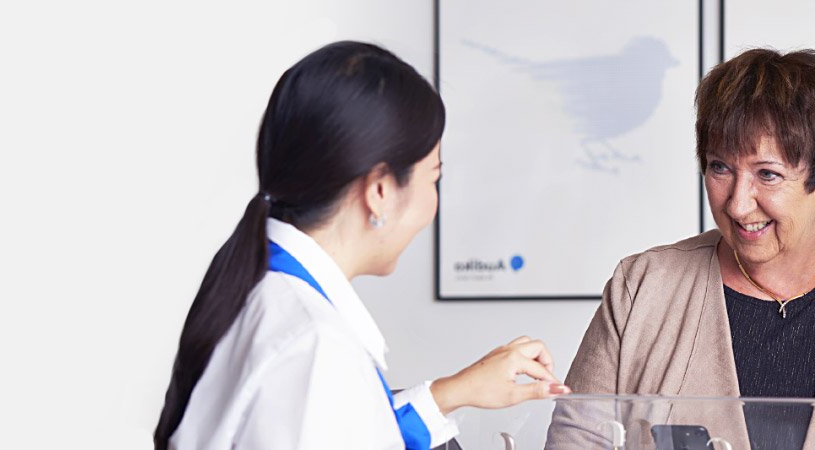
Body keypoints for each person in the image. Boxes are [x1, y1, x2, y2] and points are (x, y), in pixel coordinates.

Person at [547, 48, 815, 450]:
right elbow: (577, 440)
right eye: (720, 168)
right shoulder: (641, 288)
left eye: (768, 174)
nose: (737, 204)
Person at [153, 41, 569, 450]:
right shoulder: (316, 348)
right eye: (434, 177)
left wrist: (450, 393)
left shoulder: (261, 290)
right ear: (381, 190)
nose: (434, 203)